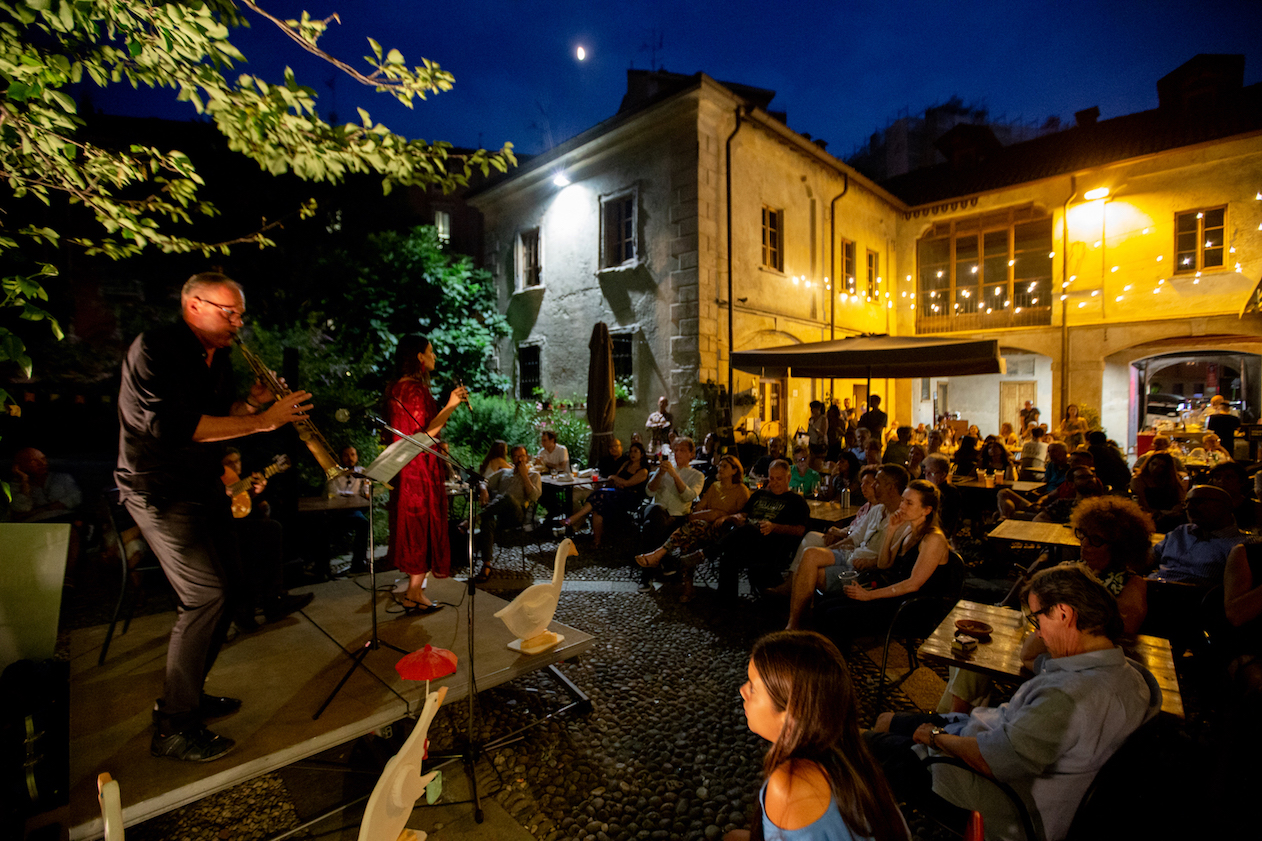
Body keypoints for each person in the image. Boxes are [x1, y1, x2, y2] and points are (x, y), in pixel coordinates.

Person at [116, 272, 312, 761]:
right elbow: (173, 426)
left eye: (241, 313)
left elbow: (218, 416)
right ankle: (173, 727)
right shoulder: (156, 348)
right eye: (230, 312)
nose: (238, 322)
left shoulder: (219, 356)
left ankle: (191, 695)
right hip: (157, 487)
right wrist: (267, 420)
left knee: (233, 592)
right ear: (194, 306)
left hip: (202, 485)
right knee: (205, 596)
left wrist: (250, 404)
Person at [867, 563, 1161, 841]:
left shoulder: (1067, 698)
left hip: (999, 798)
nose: (1036, 631)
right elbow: (1030, 657)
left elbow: (990, 761)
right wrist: (1043, 620)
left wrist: (935, 736)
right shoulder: (1126, 673)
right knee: (887, 721)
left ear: (1064, 615)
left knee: (862, 746)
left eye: (1036, 619)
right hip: (994, 744)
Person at [940, 496, 1153, 714]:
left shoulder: (1131, 585)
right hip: (1040, 644)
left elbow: (1118, 633)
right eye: (1083, 536)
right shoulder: (1072, 569)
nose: (1085, 545)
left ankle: (953, 722)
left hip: (1082, 666)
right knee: (971, 652)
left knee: (976, 659)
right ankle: (955, 718)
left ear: (1119, 547)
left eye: (1096, 540)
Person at [728, 631, 908, 841]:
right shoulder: (848, 748)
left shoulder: (789, 784)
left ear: (790, 712)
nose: (742, 690)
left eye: (753, 688)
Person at [384, 334, 468, 613]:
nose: (434, 357)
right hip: (420, 469)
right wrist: (451, 404)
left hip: (405, 467)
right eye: (430, 352)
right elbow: (425, 433)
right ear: (419, 357)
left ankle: (415, 591)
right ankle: (413, 593)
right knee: (423, 526)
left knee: (412, 527)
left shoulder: (396, 387)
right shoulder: (416, 391)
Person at [822, 480, 953, 640]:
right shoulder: (910, 531)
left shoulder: (933, 539)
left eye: (909, 503)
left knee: (833, 615)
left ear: (926, 510)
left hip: (911, 608)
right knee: (825, 603)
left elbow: (913, 584)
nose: (902, 506)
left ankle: (835, 661)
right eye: (903, 500)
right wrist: (890, 531)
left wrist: (869, 596)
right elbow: (884, 564)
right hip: (892, 595)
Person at [784, 465, 907, 629]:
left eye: (876, 482)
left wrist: (872, 561)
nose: (872, 486)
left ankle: (800, 621)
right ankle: (797, 622)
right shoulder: (877, 510)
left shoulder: (903, 520)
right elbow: (854, 538)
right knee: (810, 553)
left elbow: (898, 557)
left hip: (866, 570)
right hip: (852, 554)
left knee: (811, 573)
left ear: (890, 487)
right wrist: (831, 549)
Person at [635, 454, 750, 602]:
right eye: (719, 465)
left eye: (724, 466)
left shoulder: (741, 490)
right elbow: (698, 510)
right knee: (687, 540)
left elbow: (742, 516)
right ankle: (688, 587)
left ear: (735, 470)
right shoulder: (715, 487)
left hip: (724, 533)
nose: (720, 468)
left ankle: (659, 554)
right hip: (704, 528)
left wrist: (722, 516)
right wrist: (711, 513)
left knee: (690, 529)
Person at [715, 460, 810, 598]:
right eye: (772, 478)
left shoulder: (796, 501)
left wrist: (775, 527)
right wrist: (737, 517)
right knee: (729, 554)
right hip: (747, 540)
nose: (775, 482)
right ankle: (725, 606)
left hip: (771, 545)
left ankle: (708, 553)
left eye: (779, 479)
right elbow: (744, 513)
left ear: (788, 478)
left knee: (752, 529)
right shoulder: (759, 495)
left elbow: (801, 530)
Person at [8, 446, 84, 583]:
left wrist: (39, 510)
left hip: (64, 520)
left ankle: (66, 579)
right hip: (35, 526)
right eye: (34, 461)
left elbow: (74, 499)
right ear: (21, 465)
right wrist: (24, 483)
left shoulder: (62, 478)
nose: (43, 464)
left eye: (43, 459)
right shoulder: (16, 486)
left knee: (71, 531)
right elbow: (22, 510)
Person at [1148, 483, 1241, 586]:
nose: (1188, 507)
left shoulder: (1239, 545)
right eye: (1186, 503)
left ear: (1225, 506)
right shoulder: (1181, 531)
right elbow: (1148, 558)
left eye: (1198, 502)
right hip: (1151, 587)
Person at [475, 445, 543, 581]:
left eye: (522, 456)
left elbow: (534, 497)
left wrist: (524, 476)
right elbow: (483, 481)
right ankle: (486, 565)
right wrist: (483, 489)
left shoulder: (534, 475)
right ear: (511, 458)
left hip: (518, 515)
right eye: (516, 456)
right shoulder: (504, 473)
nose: (519, 460)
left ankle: (474, 518)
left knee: (508, 498)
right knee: (488, 520)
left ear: (527, 457)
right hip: (500, 515)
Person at [564, 441, 649, 548]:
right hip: (617, 493)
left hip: (630, 498)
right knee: (598, 508)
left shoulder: (643, 471)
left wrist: (616, 479)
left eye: (636, 451)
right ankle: (597, 541)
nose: (632, 454)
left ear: (641, 454)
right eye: (631, 451)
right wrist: (618, 481)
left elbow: (627, 482)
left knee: (599, 494)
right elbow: (615, 480)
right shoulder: (626, 464)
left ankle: (573, 518)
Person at [638, 437, 706, 560]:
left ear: (691, 454)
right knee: (656, 510)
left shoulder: (697, 475)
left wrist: (675, 475)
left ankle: (651, 567)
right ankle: (665, 563)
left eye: (682, 450)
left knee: (648, 527)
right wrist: (659, 474)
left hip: (677, 516)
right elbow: (649, 491)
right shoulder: (663, 470)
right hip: (655, 510)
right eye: (676, 450)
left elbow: (688, 496)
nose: (678, 453)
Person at [325, 445, 370, 573]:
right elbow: (333, 493)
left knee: (363, 523)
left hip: (353, 511)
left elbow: (366, 494)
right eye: (346, 455)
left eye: (353, 454)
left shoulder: (362, 472)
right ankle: (323, 568)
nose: (350, 458)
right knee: (322, 526)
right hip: (336, 512)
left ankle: (358, 564)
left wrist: (367, 491)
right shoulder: (333, 472)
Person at [1130, 451, 1186, 532]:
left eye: (1161, 466)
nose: (1156, 468)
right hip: (1150, 516)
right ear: (1148, 463)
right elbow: (1142, 504)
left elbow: (1181, 498)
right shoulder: (1139, 480)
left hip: (1172, 515)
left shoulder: (1171, 480)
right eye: (1153, 464)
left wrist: (1177, 508)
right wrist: (1162, 513)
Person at [806, 400, 828, 466]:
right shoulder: (811, 419)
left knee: (819, 463)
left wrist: (814, 428)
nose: (812, 410)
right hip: (812, 443)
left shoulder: (823, 419)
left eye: (813, 408)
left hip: (820, 444)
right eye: (811, 408)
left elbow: (823, 433)